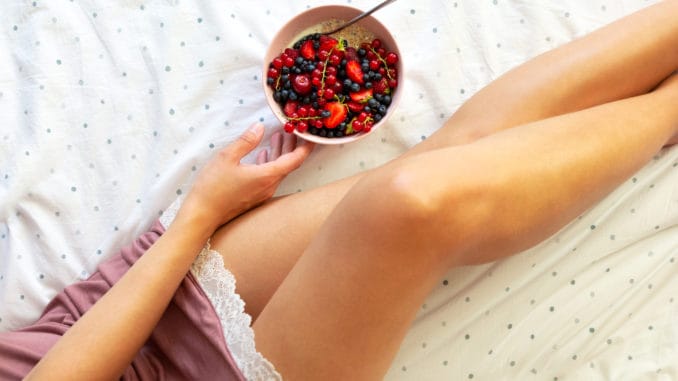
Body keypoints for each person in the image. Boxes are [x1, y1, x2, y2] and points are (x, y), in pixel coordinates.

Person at [2, 1, 678, 380]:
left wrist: (193, 227)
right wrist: (197, 215)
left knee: (451, 159)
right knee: (409, 203)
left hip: (106, 317)